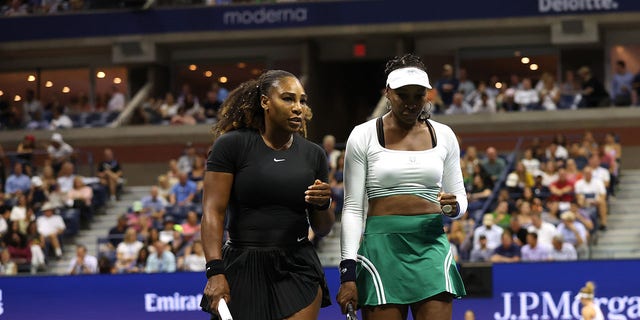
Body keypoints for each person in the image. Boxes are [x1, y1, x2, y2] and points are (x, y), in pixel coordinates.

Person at [337, 54, 467, 320]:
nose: (410, 103)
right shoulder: (362, 135)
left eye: (417, 96)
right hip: (380, 250)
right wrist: (348, 272)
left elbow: (460, 200)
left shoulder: (444, 135)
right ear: (387, 93)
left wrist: (454, 208)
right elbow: (352, 208)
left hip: (431, 245)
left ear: (427, 95)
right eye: (402, 95)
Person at [200, 70, 334, 320]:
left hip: (298, 266)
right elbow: (212, 211)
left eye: (302, 101)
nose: (297, 108)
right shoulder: (231, 145)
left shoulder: (314, 154)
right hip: (241, 264)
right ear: (265, 102)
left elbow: (323, 228)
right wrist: (214, 270)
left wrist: (323, 204)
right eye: (287, 98)